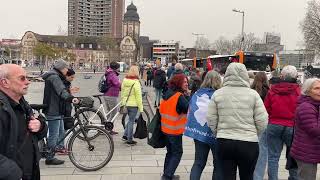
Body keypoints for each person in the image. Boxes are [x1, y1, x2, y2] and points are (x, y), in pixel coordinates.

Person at [207, 63, 268, 180]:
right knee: (247, 176)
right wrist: (254, 133)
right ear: (245, 75)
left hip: (224, 141)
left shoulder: (218, 94)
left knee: (227, 176)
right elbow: (263, 120)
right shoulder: (253, 95)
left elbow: (211, 118)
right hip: (248, 143)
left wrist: (218, 132)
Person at [0, 64, 48, 180]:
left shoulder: (22, 103)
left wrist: (40, 126)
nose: (28, 82)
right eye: (22, 78)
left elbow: (39, 131)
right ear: (5, 82)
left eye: (27, 78)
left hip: (30, 171)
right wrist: (13, 173)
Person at [184, 70, 222, 180]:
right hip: (216, 134)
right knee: (218, 164)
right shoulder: (219, 95)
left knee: (199, 163)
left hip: (199, 134)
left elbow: (191, 111)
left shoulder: (197, 94)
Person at [264, 65, 300, 180]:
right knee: (293, 155)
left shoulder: (272, 90)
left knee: (273, 157)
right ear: (296, 76)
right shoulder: (298, 91)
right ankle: (294, 177)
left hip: (274, 124)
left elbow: (266, 108)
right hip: (292, 126)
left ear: (282, 76)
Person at [42, 59, 79, 165]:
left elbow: (61, 90)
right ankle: (50, 157)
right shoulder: (54, 77)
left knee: (60, 131)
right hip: (53, 109)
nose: (67, 70)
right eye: (66, 68)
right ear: (61, 68)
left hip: (57, 108)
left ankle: (57, 148)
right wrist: (72, 98)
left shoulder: (55, 76)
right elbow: (61, 91)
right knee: (54, 134)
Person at [160, 74, 190, 180]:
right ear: (178, 83)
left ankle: (167, 173)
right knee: (177, 153)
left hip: (165, 129)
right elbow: (188, 109)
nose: (187, 84)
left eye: (187, 82)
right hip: (174, 130)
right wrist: (187, 95)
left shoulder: (167, 93)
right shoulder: (179, 96)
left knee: (170, 152)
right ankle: (167, 175)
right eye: (184, 82)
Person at [290, 78, 320, 180]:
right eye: (316, 88)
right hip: (306, 153)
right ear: (307, 91)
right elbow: (314, 130)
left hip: (310, 151)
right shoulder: (306, 107)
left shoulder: (315, 105)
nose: (319, 91)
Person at [251, 72, 270, 180]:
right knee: (262, 152)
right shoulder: (268, 91)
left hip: (250, 123)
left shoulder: (250, 90)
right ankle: (257, 177)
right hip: (264, 123)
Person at [120, 65, 143, 146]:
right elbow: (138, 96)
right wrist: (141, 108)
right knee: (131, 121)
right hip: (133, 105)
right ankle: (130, 140)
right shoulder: (136, 82)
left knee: (129, 120)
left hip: (126, 104)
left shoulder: (125, 80)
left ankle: (125, 136)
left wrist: (123, 103)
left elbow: (122, 92)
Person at [103, 61, 121, 135]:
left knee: (109, 112)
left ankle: (105, 128)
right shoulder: (112, 74)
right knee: (113, 113)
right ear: (115, 68)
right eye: (118, 68)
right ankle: (108, 129)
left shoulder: (108, 72)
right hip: (111, 95)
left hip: (107, 94)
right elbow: (117, 83)